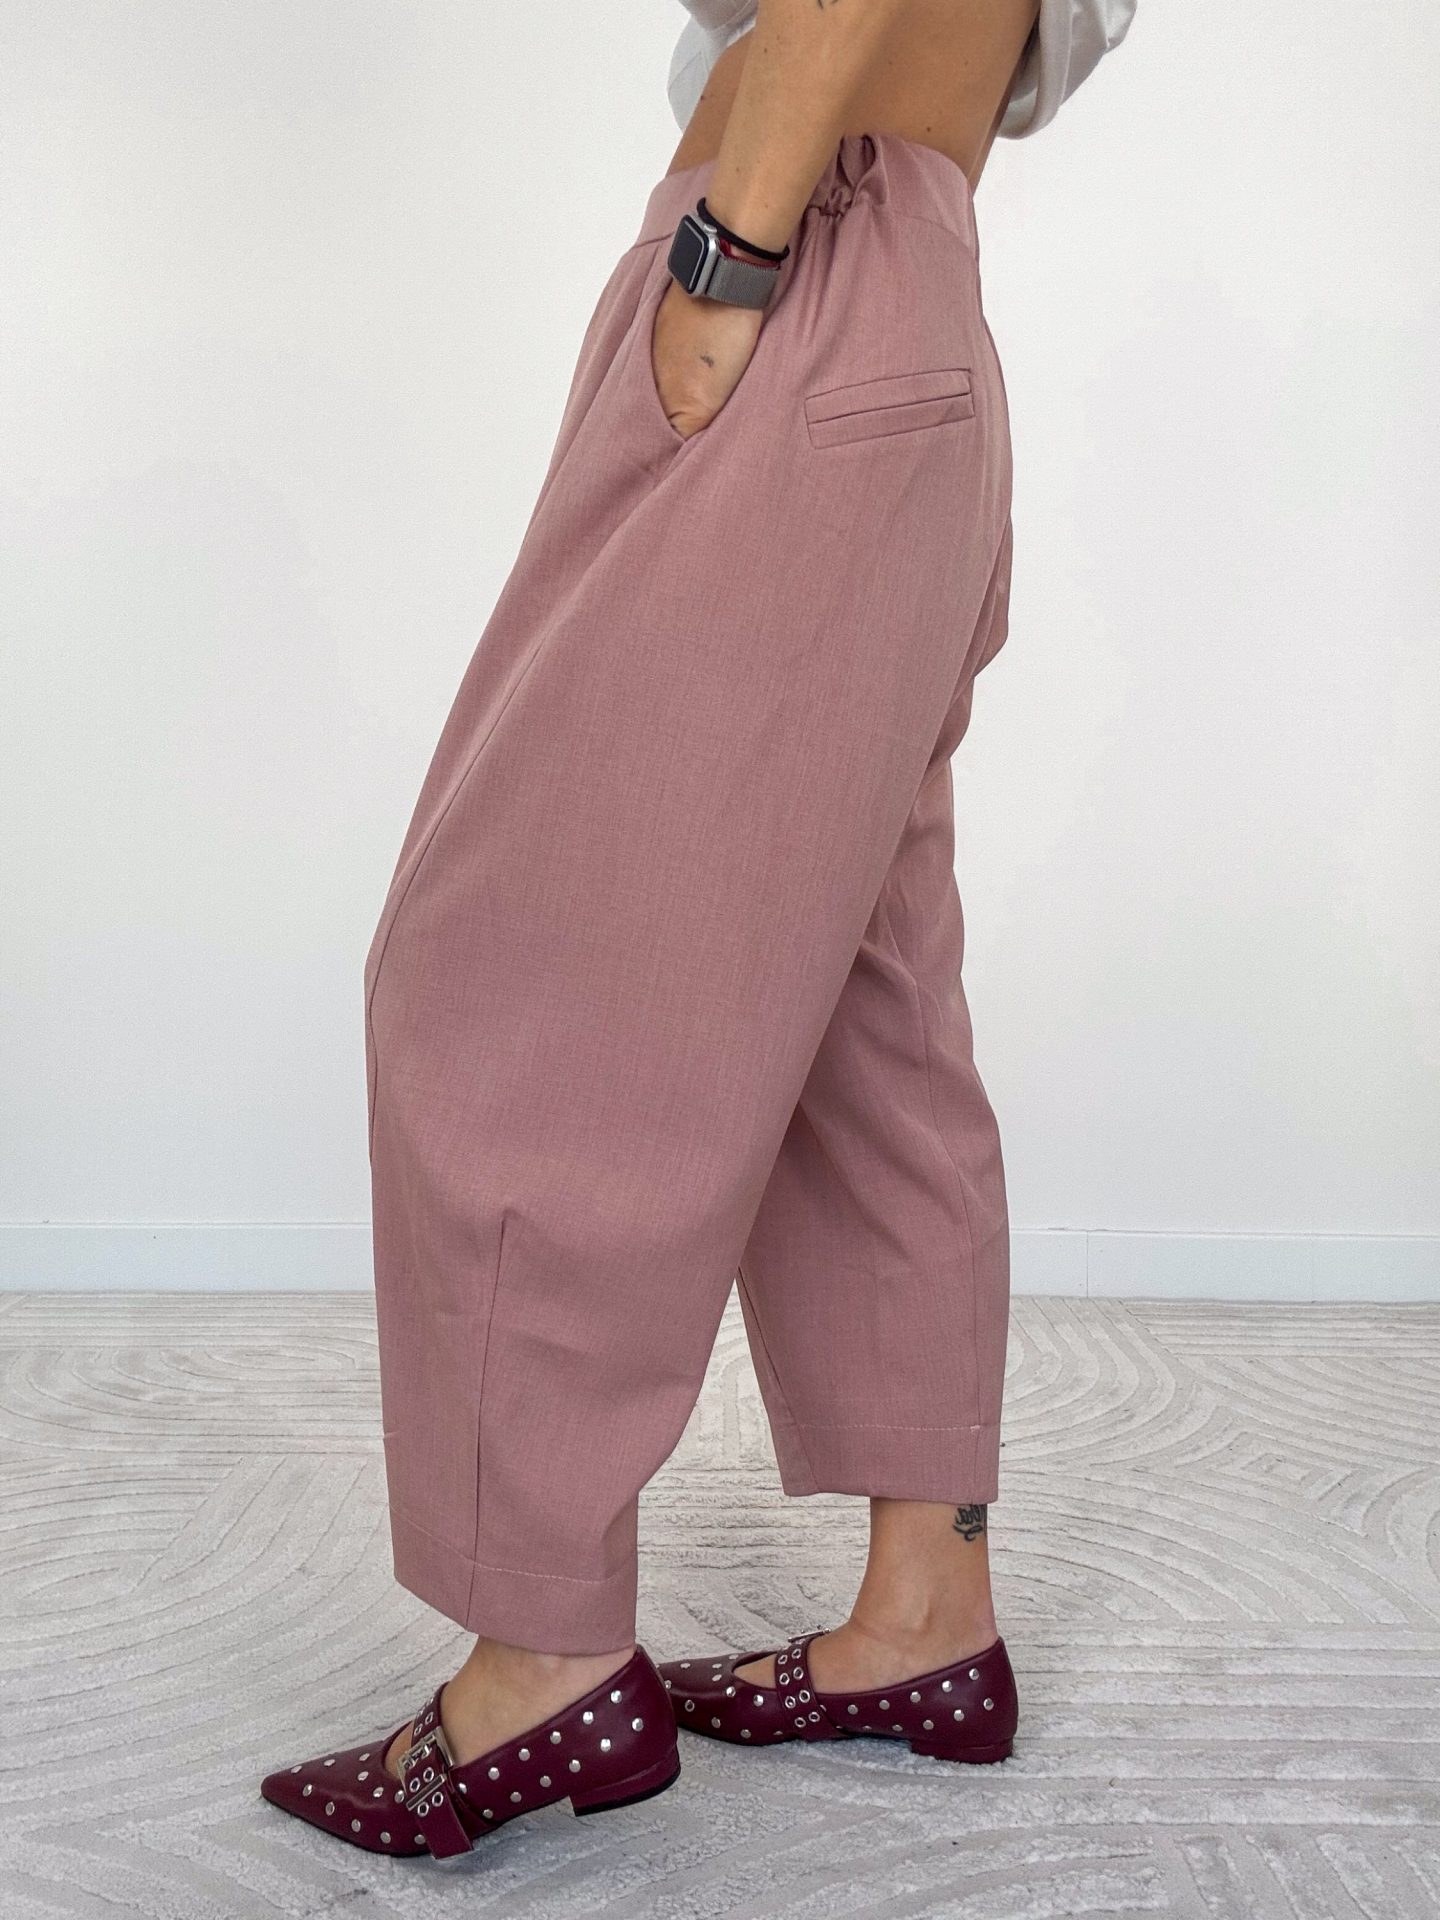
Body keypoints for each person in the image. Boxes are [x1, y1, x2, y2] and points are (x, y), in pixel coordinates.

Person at [262, 0, 1136, 1859]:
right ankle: (927, 1610)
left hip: (793, 271)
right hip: (916, 318)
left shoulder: (757, 258)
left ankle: (542, 1664)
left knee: (498, 971)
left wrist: (728, 257)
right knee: (865, 1000)